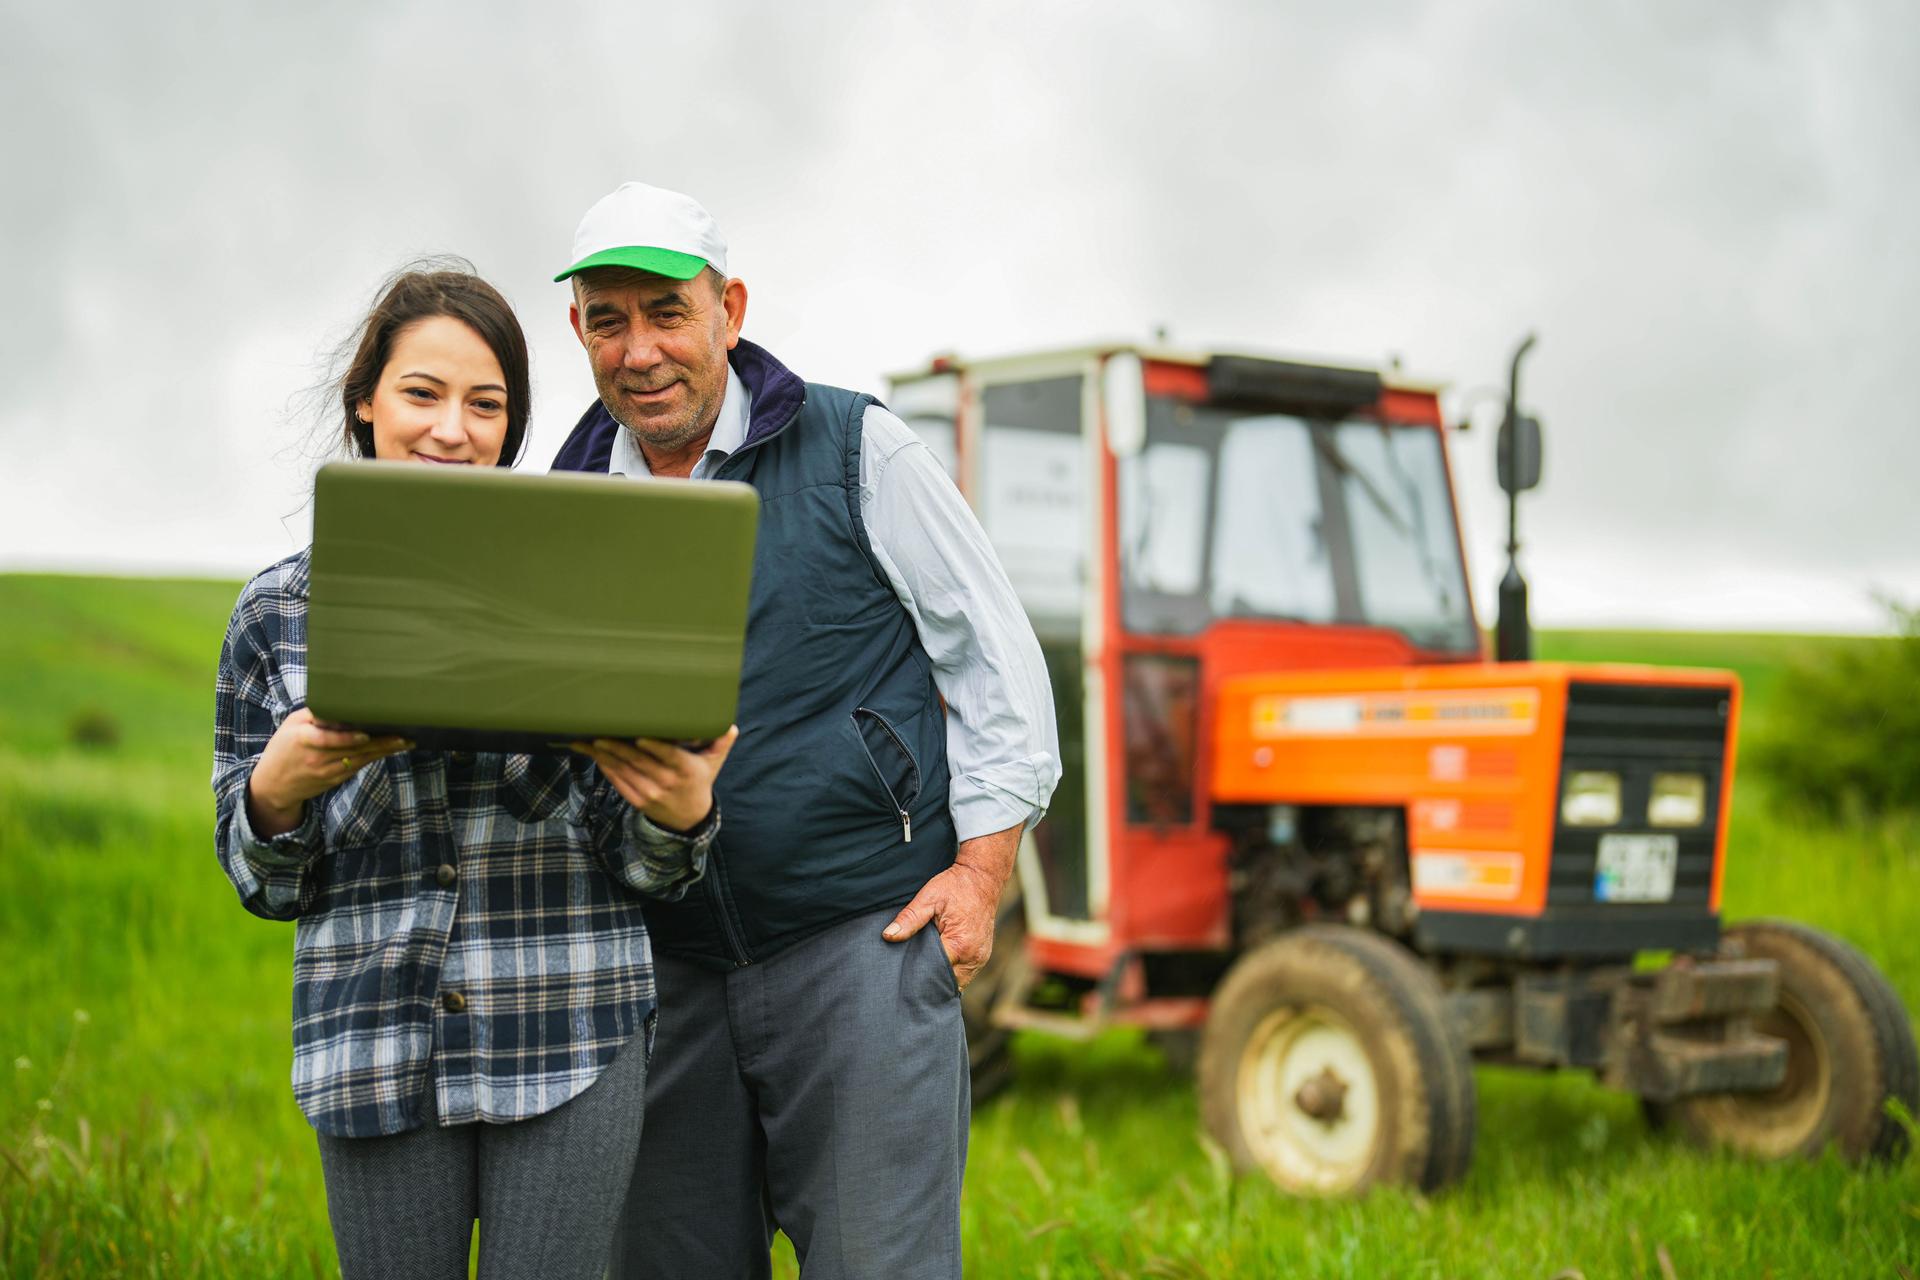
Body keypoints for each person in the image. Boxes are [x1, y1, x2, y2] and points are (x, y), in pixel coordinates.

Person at [549, 182, 1060, 1279]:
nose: (639, 350)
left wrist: (981, 870)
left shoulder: (854, 446)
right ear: (579, 330)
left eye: (666, 312)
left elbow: (995, 654)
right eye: (608, 319)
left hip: (859, 943)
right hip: (662, 967)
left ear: (729, 307)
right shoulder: (569, 496)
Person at [211, 264, 736, 1280]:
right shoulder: (272, 618)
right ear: (366, 399)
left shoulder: (589, 595)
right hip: (369, 1046)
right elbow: (263, 882)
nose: (453, 429)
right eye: (422, 393)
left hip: (572, 1032)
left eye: (486, 404)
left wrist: (679, 816)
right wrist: (278, 790)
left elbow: (650, 870)